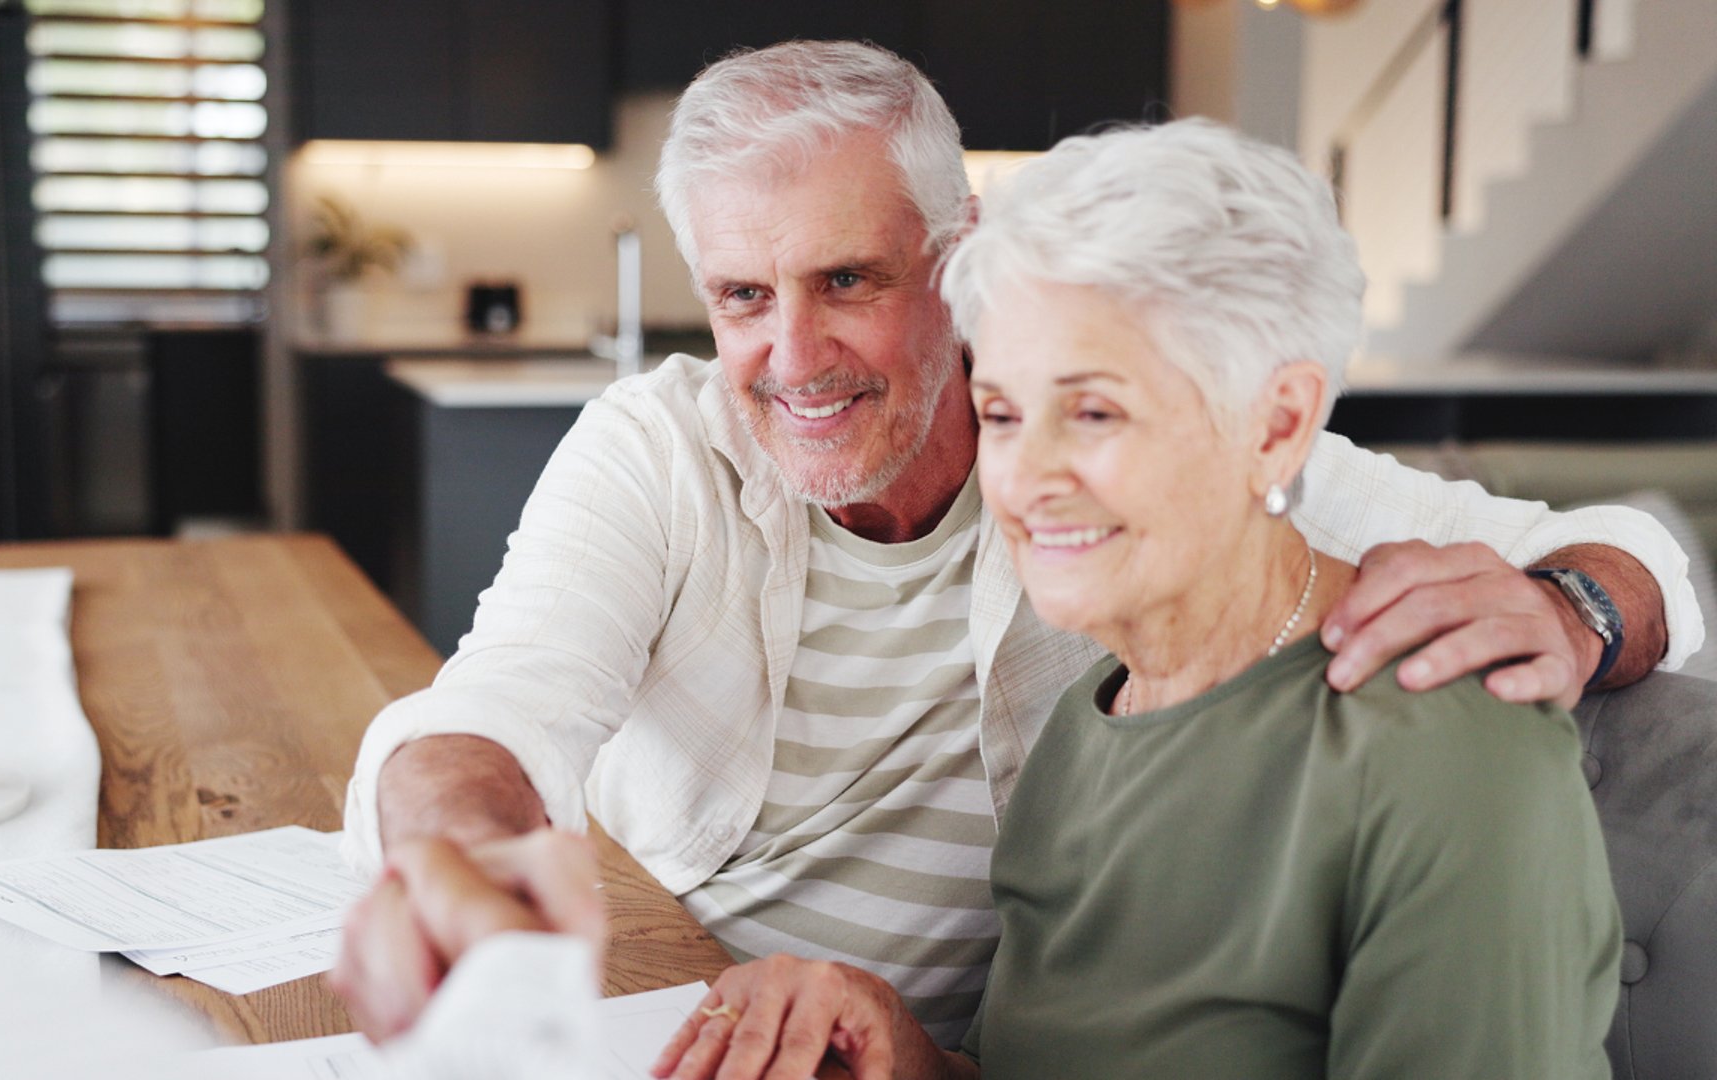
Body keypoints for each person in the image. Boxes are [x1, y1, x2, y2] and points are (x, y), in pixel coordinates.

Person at [329, 40, 1696, 1047]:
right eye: (744, 295)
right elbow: (505, 698)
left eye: (847, 280)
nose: (792, 355)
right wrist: (456, 856)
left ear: (953, 255)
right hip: (665, 1005)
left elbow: (1626, 553)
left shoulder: (1164, 473)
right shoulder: (666, 452)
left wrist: (1578, 605)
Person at [655, 117, 1623, 1080]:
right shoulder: (1088, 722)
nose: (1026, 477)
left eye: (1094, 412)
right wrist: (897, 1045)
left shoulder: (1445, 760)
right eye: (1001, 413)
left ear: (1278, 426)